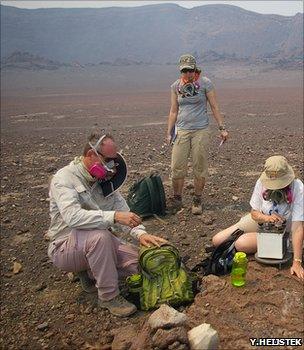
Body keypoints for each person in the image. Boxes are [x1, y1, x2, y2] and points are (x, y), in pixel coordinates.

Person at [47, 129, 167, 317]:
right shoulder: (64, 179)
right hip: (65, 246)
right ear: (91, 155)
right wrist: (113, 217)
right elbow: (72, 217)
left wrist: (141, 234)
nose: (112, 165)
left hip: (97, 244)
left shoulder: (104, 181)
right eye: (108, 159)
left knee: (140, 265)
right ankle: (109, 296)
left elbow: (125, 212)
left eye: (114, 159)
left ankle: (89, 273)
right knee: (100, 237)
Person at [212, 155, 304, 280]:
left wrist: (297, 261)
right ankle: (254, 244)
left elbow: (298, 227)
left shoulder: (298, 187)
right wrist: (266, 218)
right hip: (262, 219)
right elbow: (254, 213)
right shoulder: (261, 182)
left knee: (241, 243)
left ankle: (281, 245)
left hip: (285, 229)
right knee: (217, 240)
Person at [167, 54, 228, 215]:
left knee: (199, 166)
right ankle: (177, 198)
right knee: (177, 166)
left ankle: (197, 199)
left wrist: (222, 128)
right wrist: (169, 132)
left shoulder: (205, 83)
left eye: (190, 70)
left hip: (200, 130)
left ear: (195, 69)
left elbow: (214, 107)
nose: (187, 74)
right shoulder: (175, 86)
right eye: (184, 71)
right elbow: (173, 110)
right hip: (181, 130)